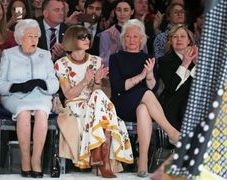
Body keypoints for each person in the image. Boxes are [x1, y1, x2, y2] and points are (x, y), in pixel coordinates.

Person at [55, 25, 134, 178]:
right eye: (81, 37)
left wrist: (97, 80)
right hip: (76, 104)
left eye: (88, 37)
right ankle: (103, 162)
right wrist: (85, 80)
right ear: (71, 39)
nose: (87, 40)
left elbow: (104, 93)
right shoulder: (62, 64)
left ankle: (99, 155)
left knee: (98, 96)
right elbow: (68, 94)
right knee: (106, 114)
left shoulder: (96, 61)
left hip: (96, 102)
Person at [109, 19, 180, 177]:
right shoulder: (115, 58)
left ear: (142, 39)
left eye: (136, 36)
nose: (132, 40)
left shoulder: (148, 58)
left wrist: (148, 76)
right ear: (123, 39)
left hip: (144, 104)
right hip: (122, 103)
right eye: (128, 36)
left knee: (143, 109)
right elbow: (118, 87)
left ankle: (142, 162)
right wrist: (140, 76)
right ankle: (171, 132)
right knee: (145, 95)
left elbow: (153, 87)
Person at [0, 19, 59, 178]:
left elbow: (54, 83)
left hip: (40, 95)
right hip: (15, 96)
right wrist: (16, 87)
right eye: (30, 36)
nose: (34, 40)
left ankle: (36, 159)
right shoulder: (8, 55)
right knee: (23, 112)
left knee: (41, 113)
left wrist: (42, 83)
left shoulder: (45, 55)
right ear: (19, 38)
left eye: (36, 37)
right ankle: (25, 159)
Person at [159, 24, 197, 131]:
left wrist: (197, 64)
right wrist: (185, 64)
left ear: (189, 41)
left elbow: (201, 86)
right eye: (175, 37)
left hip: (193, 103)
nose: (179, 39)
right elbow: (172, 87)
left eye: (182, 36)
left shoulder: (197, 59)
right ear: (170, 41)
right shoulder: (164, 61)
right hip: (174, 104)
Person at [99, 0, 135, 67]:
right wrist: (113, 46)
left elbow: (144, 58)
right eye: (119, 10)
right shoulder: (105, 35)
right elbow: (103, 63)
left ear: (132, 11)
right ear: (115, 12)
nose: (122, 13)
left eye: (126, 10)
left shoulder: (139, 33)